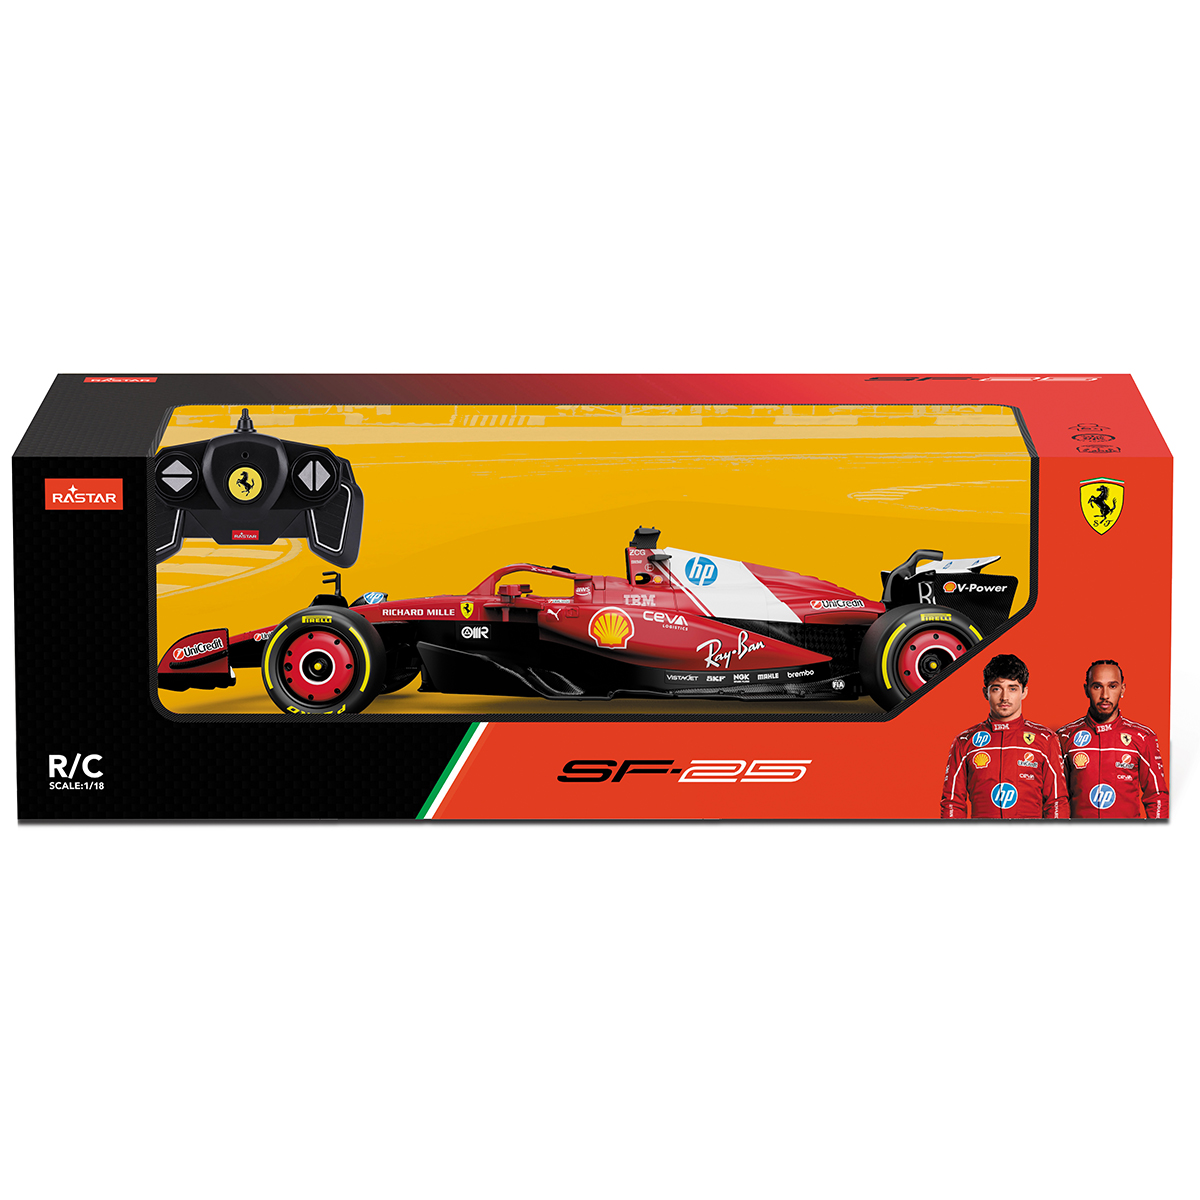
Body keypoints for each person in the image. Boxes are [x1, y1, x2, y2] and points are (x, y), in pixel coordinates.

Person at [941, 654, 1068, 819]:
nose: (1004, 697)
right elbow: (952, 803)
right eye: (996, 689)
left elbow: (1057, 802)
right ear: (985, 693)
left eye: (1012, 688)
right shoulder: (964, 742)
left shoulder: (1045, 739)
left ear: (1024, 692)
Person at [1057, 660, 1168, 819]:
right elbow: (1056, 798)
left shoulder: (1143, 737)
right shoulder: (1065, 736)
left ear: (1123, 689)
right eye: (1097, 686)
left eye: (1112, 686)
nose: (1105, 695)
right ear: (1086, 690)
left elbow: (1157, 796)